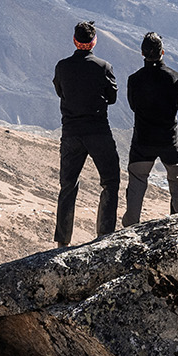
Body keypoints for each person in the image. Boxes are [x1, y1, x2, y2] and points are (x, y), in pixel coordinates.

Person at [51, 19, 120, 246]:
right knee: (110, 181)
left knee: (68, 184)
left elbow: (60, 91)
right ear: (93, 42)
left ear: (75, 40)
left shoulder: (62, 66)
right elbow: (112, 97)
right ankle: (104, 236)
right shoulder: (103, 67)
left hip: (71, 132)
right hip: (98, 131)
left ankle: (63, 241)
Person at [123, 31, 178, 225]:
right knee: (177, 182)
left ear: (142, 54)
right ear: (163, 52)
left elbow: (133, 105)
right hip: (169, 139)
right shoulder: (176, 78)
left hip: (143, 140)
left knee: (137, 182)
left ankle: (130, 227)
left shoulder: (134, 80)